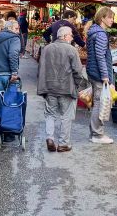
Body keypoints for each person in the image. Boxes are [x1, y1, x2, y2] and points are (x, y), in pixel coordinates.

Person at [37, 25, 87, 153]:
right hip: (66, 88)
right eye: (71, 35)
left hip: (49, 87)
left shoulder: (47, 49)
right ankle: (63, 143)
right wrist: (77, 84)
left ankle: (50, 138)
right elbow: (78, 71)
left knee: (50, 114)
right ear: (64, 36)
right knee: (66, 115)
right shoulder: (71, 50)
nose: (72, 37)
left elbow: (41, 68)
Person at [85, 7, 116, 145]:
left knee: (98, 102)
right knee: (99, 103)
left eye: (113, 17)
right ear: (102, 18)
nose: (112, 20)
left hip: (92, 71)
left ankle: (95, 133)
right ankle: (97, 134)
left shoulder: (93, 32)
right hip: (98, 74)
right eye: (109, 17)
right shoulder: (101, 34)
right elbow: (100, 56)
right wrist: (105, 76)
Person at [0, 18, 22, 133]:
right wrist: (14, 72)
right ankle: (8, 129)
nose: (18, 31)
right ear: (10, 28)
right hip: (9, 75)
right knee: (10, 102)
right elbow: (13, 54)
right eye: (16, 28)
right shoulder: (14, 39)